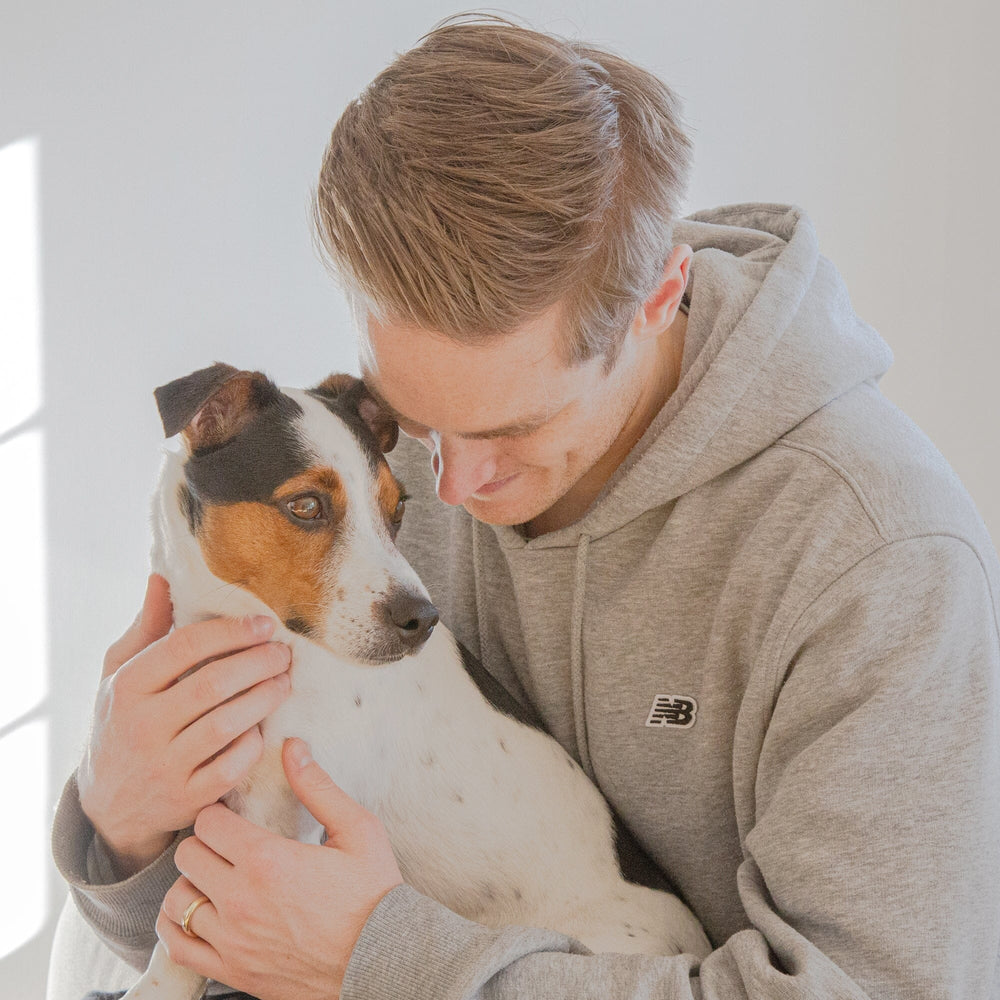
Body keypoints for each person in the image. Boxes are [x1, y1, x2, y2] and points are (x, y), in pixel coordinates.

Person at [52, 15, 1000, 1000]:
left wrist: (382, 963)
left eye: (511, 431)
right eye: (417, 423)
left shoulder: (880, 561)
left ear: (656, 296)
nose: (448, 489)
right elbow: (226, 939)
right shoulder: (360, 476)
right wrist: (122, 825)